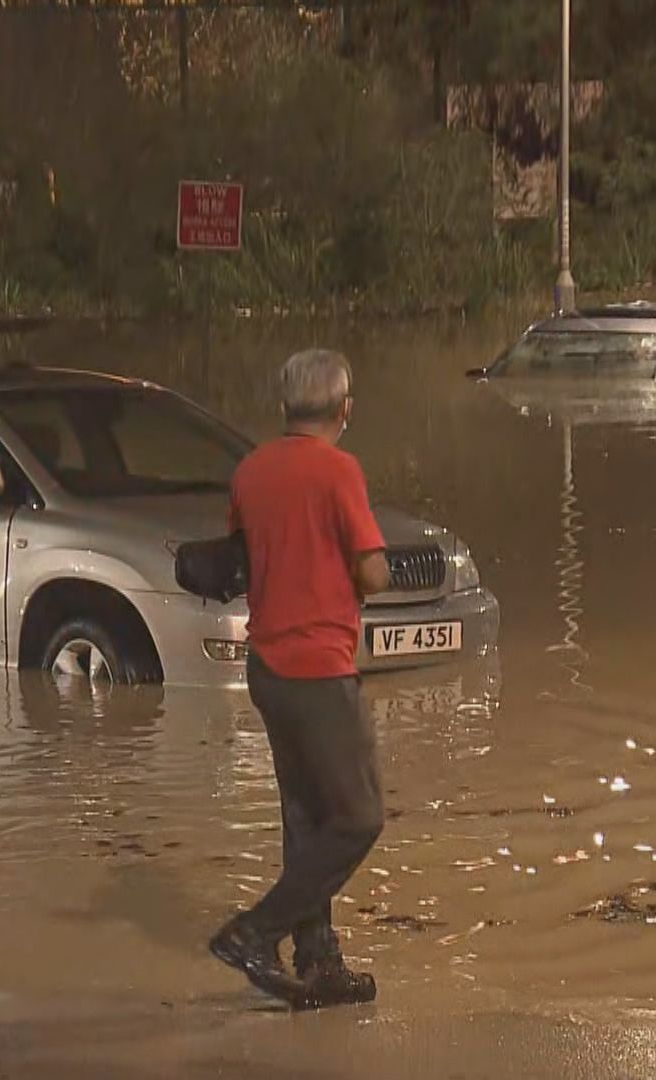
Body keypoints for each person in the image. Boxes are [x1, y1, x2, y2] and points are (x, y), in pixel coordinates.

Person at [209, 349, 391, 1010]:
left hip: (268, 667)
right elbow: (372, 572)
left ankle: (320, 965)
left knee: (308, 819)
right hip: (319, 668)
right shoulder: (339, 470)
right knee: (358, 816)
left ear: (285, 407)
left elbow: (245, 554)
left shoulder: (251, 470)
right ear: (344, 409)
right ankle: (255, 932)